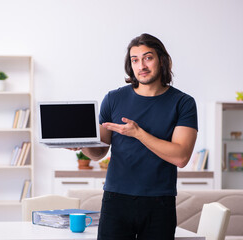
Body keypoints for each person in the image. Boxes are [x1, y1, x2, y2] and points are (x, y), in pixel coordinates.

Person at [81, 33, 198, 240]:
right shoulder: (113, 98)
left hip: (159, 203)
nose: (141, 65)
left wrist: (139, 134)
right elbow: (98, 152)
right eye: (135, 60)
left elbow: (181, 157)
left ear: (162, 60)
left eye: (148, 57)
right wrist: (82, 143)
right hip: (116, 200)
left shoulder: (183, 103)